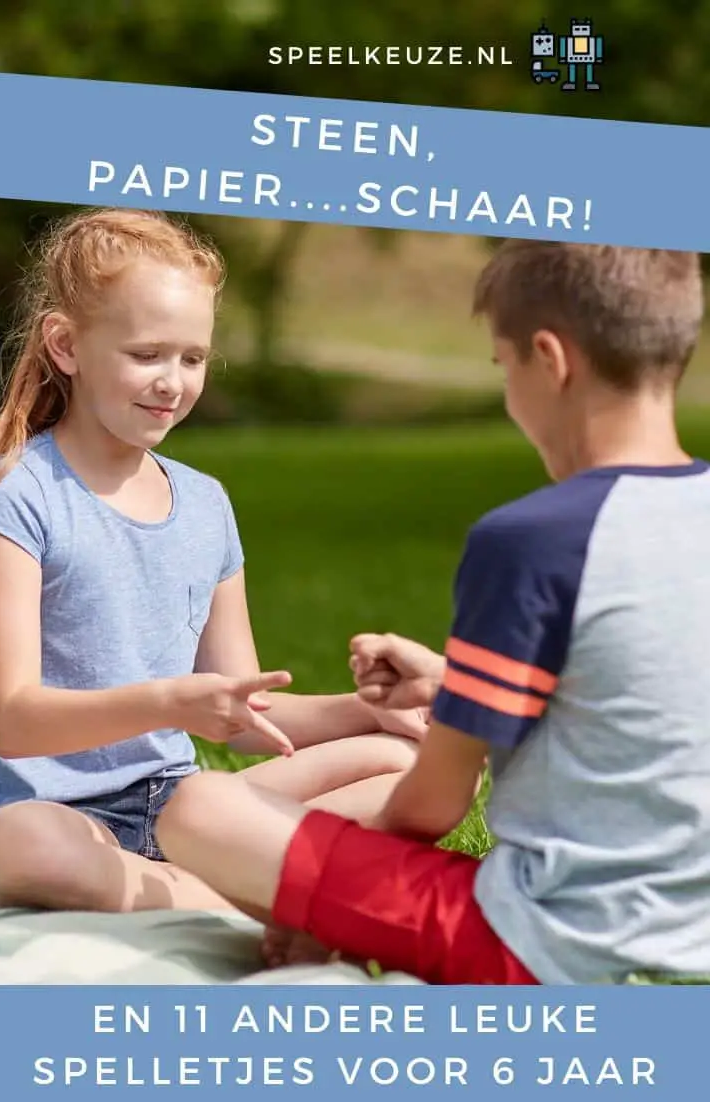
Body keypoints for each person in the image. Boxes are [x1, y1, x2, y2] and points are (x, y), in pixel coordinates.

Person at [155, 241, 710, 985]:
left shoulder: (533, 541)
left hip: (537, 949)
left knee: (197, 809)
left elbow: (430, 807)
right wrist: (458, 687)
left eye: (503, 368)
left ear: (549, 360)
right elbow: (647, 686)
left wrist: (304, 894)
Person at [0, 207, 425, 914]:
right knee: (19, 846)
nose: (172, 382)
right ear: (66, 345)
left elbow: (243, 715)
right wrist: (167, 702)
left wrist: (369, 712)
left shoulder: (206, 504)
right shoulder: (18, 494)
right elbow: (14, 719)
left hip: (179, 809)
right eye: (146, 355)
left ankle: (195, 884)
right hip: (55, 814)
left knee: (397, 763)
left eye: (193, 358)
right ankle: (223, 896)